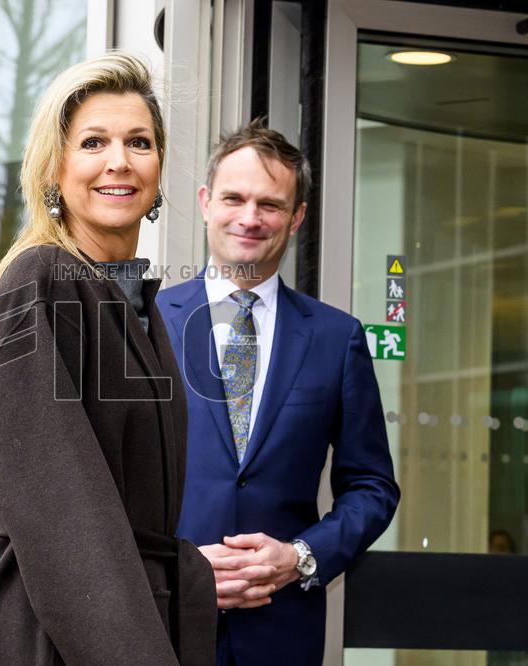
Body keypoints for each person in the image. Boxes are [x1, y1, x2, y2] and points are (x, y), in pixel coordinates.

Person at [0, 53, 216, 665]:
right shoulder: (39, 279)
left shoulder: (133, 301)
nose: (119, 161)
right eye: (93, 142)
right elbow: (55, 502)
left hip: (126, 620)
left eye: (140, 142)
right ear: (55, 168)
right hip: (53, 630)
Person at [155, 119, 399, 665]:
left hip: (281, 634)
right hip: (161, 625)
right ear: (204, 202)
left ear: (297, 217)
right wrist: (178, 569)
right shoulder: (144, 324)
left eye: (269, 204)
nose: (249, 218)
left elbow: (373, 486)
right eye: (234, 198)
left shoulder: (337, 339)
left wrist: (301, 556)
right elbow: (107, 485)